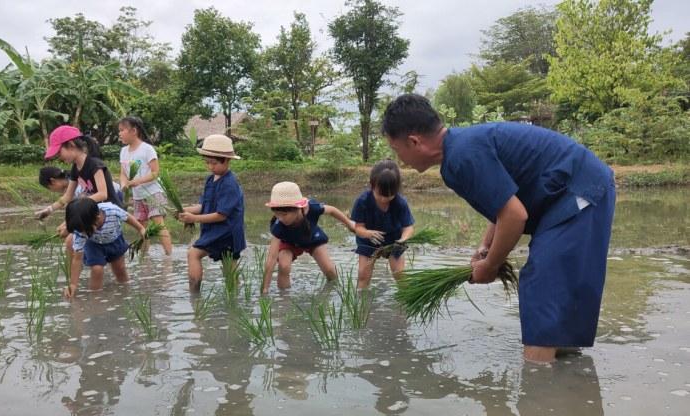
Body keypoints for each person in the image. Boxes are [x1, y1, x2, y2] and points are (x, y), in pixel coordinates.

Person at [381, 93, 616, 363]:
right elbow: (502, 205)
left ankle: (539, 386)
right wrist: (484, 247)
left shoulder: (461, 157)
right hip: (568, 193)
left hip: (580, 190)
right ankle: (563, 385)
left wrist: (491, 265)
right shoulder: (461, 149)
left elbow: (515, 216)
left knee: (542, 284)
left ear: (414, 141)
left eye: (397, 151)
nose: (400, 161)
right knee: (553, 295)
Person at [177, 134, 246, 294]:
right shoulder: (210, 180)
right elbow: (203, 206)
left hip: (226, 231)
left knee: (194, 253)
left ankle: (195, 295)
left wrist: (193, 218)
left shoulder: (229, 184)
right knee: (229, 269)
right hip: (215, 230)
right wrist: (184, 210)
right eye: (207, 162)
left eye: (213, 163)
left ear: (227, 161)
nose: (210, 167)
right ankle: (233, 299)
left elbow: (221, 215)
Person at [261, 181, 356, 294]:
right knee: (284, 266)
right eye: (277, 214)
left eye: (284, 214)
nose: (280, 218)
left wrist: (349, 223)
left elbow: (331, 210)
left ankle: (335, 292)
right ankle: (284, 299)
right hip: (288, 242)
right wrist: (265, 289)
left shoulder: (312, 208)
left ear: (298, 208)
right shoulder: (278, 227)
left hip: (311, 238)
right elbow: (271, 258)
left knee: (330, 270)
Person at [35, 125, 122, 242]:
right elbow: (67, 196)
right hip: (93, 211)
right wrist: (49, 210)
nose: (59, 157)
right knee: (72, 242)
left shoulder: (95, 165)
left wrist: (76, 212)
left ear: (71, 145)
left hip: (108, 213)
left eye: (59, 152)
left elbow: (103, 194)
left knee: (71, 240)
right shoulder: (75, 169)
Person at [37, 166, 123, 264]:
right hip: (95, 203)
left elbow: (84, 209)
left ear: (53, 181)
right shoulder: (70, 183)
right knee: (77, 236)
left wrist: (68, 226)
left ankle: (77, 268)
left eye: (49, 188)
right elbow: (67, 201)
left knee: (71, 241)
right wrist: (48, 211)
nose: (52, 191)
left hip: (111, 199)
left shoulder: (77, 186)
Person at [351, 159, 415, 289]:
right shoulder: (362, 201)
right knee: (363, 275)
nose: (384, 199)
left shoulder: (400, 202)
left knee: (400, 275)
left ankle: (406, 303)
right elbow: (358, 228)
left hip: (394, 240)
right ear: (372, 185)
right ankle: (360, 303)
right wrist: (368, 233)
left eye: (389, 196)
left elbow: (408, 227)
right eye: (380, 195)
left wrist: (403, 239)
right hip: (368, 240)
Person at [63, 198, 145, 298]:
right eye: (80, 231)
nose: (83, 233)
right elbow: (77, 259)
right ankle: (96, 298)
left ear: (97, 219)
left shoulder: (112, 211)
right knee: (97, 269)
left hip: (114, 240)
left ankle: (125, 295)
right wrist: (73, 285)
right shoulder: (81, 231)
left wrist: (141, 229)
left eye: (86, 230)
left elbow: (127, 217)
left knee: (120, 269)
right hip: (93, 244)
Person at [118, 116, 173, 256]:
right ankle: (144, 258)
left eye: (122, 130)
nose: (119, 133)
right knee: (141, 227)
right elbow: (123, 173)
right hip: (137, 196)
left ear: (134, 131)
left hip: (153, 193)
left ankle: (169, 257)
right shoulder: (123, 151)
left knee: (159, 225)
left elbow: (155, 173)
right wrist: (124, 184)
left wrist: (137, 181)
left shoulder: (147, 149)